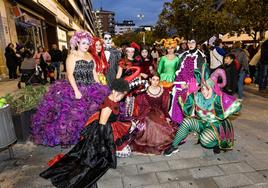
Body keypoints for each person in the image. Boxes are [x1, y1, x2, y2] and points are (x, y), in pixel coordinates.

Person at [40, 78, 130, 188]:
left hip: (106, 128)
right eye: (122, 96)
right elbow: (102, 125)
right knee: (93, 158)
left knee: (100, 156)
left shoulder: (112, 100)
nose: (122, 98)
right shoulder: (108, 106)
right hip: (101, 131)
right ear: (115, 91)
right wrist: (101, 143)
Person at [31, 31, 110, 147]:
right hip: (77, 87)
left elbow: (94, 73)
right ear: (77, 43)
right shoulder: (72, 56)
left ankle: (89, 135)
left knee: (92, 112)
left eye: (87, 44)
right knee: (74, 115)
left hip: (92, 88)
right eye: (83, 43)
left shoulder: (90, 56)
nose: (86, 46)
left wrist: (100, 87)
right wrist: (76, 91)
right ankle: (75, 137)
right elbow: (70, 74)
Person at [164, 69, 241, 156]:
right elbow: (187, 111)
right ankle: (173, 146)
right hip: (202, 124)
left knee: (204, 140)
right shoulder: (199, 96)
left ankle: (217, 144)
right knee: (186, 121)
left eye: (207, 89)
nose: (204, 92)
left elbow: (237, 107)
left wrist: (225, 100)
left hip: (216, 127)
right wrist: (190, 93)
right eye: (203, 89)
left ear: (213, 89)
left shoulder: (218, 98)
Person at [130, 74, 177, 154]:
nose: (155, 82)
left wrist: (166, 116)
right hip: (147, 112)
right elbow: (139, 105)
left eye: (157, 80)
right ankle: (156, 142)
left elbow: (164, 107)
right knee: (151, 122)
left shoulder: (164, 92)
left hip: (159, 113)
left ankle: (162, 142)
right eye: (153, 79)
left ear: (159, 81)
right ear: (150, 80)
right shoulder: (144, 91)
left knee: (161, 123)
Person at [169, 39, 209, 124]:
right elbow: (178, 70)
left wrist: (191, 85)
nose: (190, 44)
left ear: (196, 44)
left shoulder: (201, 56)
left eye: (193, 42)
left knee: (190, 102)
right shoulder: (183, 55)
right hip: (181, 81)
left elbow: (202, 73)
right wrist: (182, 82)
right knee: (178, 99)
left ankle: (189, 123)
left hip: (193, 83)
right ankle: (177, 120)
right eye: (189, 43)